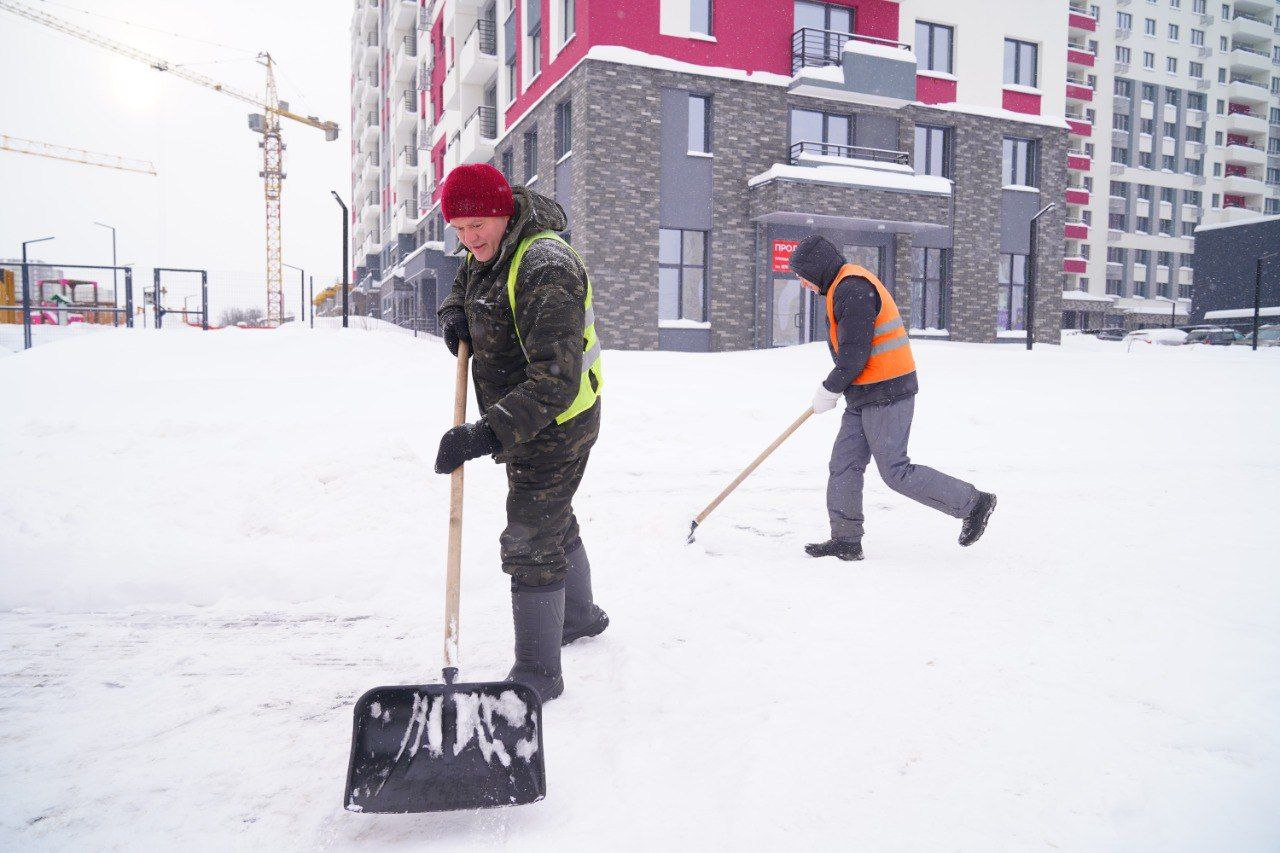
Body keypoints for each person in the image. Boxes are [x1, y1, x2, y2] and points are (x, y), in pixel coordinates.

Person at [432, 163, 607, 701]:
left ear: (504, 210)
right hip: (523, 413)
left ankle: (537, 676)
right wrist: (455, 313)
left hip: (558, 420)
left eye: (477, 224)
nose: (469, 239)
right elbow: (467, 278)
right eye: (458, 229)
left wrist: (484, 435)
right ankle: (577, 616)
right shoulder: (490, 246)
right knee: (551, 511)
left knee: (531, 534)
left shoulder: (545, 266)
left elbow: (554, 381)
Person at [787, 234, 997, 561]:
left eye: (802, 277)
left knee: (895, 472)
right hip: (865, 394)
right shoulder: (841, 286)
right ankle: (846, 540)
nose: (802, 284)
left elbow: (855, 354)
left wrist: (830, 388)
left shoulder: (852, 290)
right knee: (844, 464)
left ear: (816, 270)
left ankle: (973, 503)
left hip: (887, 393)